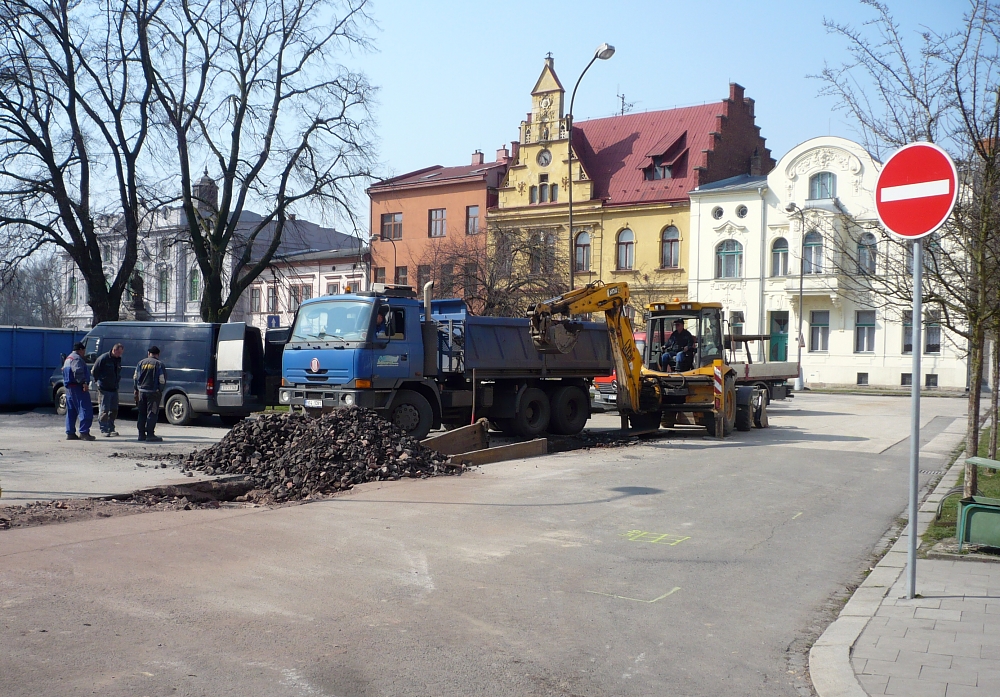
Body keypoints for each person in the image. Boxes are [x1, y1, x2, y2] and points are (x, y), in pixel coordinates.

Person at [63, 341, 95, 441]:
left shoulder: (68, 358)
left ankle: (70, 433)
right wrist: (83, 383)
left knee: (71, 411)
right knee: (85, 408)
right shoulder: (77, 358)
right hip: (78, 387)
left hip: (69, 388)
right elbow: (77, 371)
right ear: (80, 350)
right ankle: (84, 432)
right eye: (84, 350)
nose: (84, 353)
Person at [133, 346, 166, 442]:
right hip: (153, 393)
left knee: (141, 413)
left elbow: (135, 377)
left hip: (142, 392)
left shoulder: (141, 363)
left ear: (148, 353)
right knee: (152, 412)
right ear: (158, 354)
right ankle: (150, 434)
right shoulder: (159, 364)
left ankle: (141, 434)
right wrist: (160, 390)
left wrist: (136, 389)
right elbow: (162, 380)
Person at [92, 342, 124, 436]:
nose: (120, 355)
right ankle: (104, 429)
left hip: (114, 388)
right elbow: (94, 371)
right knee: (104, 410)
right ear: (114, 350)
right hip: (104, 388)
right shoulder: (104, 358)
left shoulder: (118, 359)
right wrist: (98, 381)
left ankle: (111, 428)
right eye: (119, 353)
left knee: (114, 409)